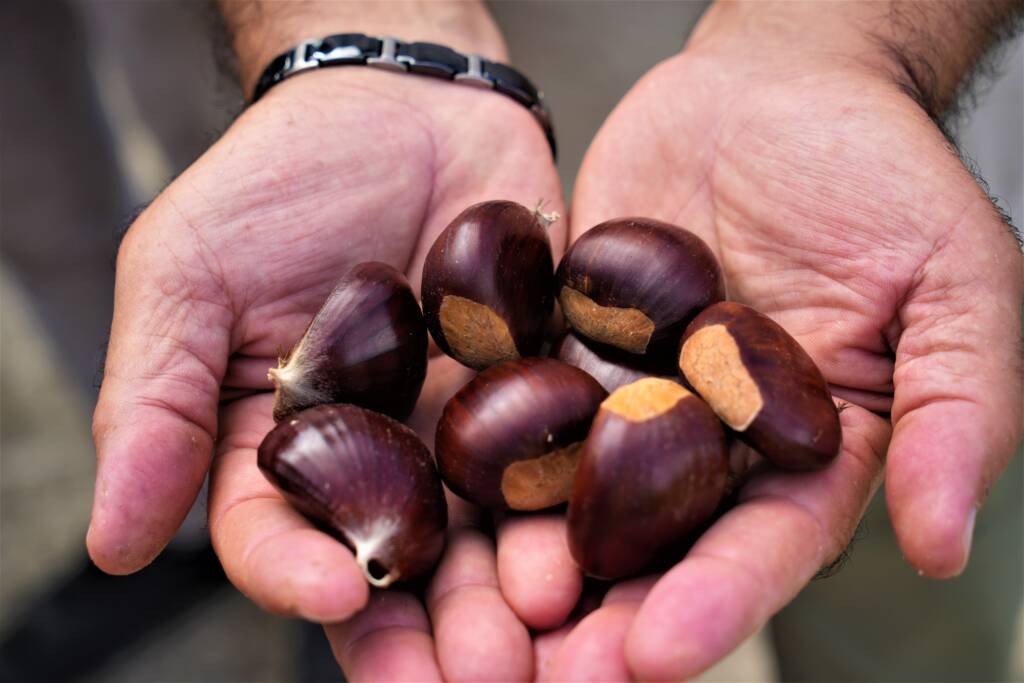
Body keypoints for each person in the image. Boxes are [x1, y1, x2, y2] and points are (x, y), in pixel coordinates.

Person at [87, 1, 1023, 680]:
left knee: (906, 585)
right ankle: (351, 573)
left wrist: (843, 44)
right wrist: (356, 33)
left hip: (826, 190)